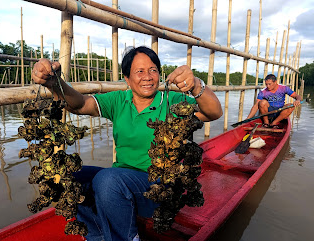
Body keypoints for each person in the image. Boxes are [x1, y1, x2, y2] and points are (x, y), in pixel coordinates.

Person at [32, 46, 222, 241]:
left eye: (153, 70)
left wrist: (196, 85)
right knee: (57, 175)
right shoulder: (119, 100)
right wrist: (54, 83)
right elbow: (80, 104)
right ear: (127, 79)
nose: (147, 76)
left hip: (159, 187)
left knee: (107, 181)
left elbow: (213, 112)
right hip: (121, 179)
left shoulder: (172, 101)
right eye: (139, 71)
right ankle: (97, 235)